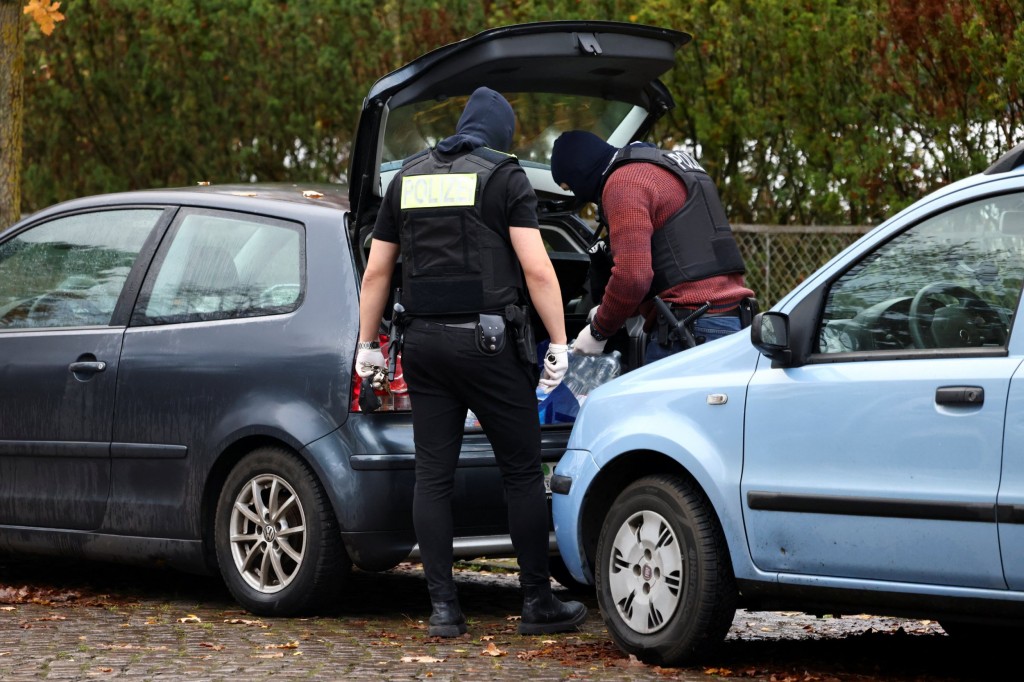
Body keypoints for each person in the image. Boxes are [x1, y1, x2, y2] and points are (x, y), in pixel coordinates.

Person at [355, 87, 586, 638]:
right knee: (521, 473)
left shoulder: (406, 178)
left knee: (432, 477)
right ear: (499, 133)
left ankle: (443, 610)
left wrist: (368, 345)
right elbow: (537, 270)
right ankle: (536, 603)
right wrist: (558, 341)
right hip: (489, 347)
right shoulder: (504, 177)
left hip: (424, 346)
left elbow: (377, 272)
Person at [550, 130, 755, 364]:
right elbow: (676, 260)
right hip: (733, 322)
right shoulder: (670, 166)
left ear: (579, 171)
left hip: (689, 331)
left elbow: (633, 277)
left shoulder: (623, 182)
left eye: (569, 187)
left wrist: (598, 330)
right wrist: (609, 309)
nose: (577, 194)